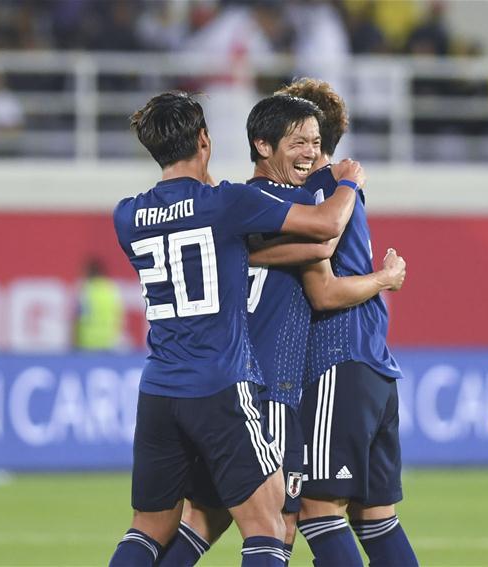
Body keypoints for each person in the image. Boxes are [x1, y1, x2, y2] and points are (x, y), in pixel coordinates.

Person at [109, 91, 361, 567]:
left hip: (159, 389)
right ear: (205, 139)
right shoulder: (227, 203)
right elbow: (327, 225)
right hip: (221, 385)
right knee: (267, 525)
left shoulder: (127, 216)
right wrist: (348, 181)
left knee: (150, 527)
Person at [159, 93, 405, 567]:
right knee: (285, 522)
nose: (310, 152)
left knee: (203, 517)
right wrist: (381, 274)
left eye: (315, 141)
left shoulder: (224, 203)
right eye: (299, 141)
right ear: (264, 145)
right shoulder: (300, 202)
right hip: (271, 388)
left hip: (215, 385)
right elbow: (324, 261)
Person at [285, 78, 420, 567]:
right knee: (375, 519)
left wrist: (383, 278)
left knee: (317, 510)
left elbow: (321, 292)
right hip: (374, 368)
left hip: (335, 362)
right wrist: (383, 278)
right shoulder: (343, 191)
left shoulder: (316, 194)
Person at [73, 257, 124, 351]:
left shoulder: (86, 289)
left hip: (88, 343)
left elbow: (78, 317)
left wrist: (74, 342)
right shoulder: (112, 288)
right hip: (109, 341)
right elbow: (119, 315)